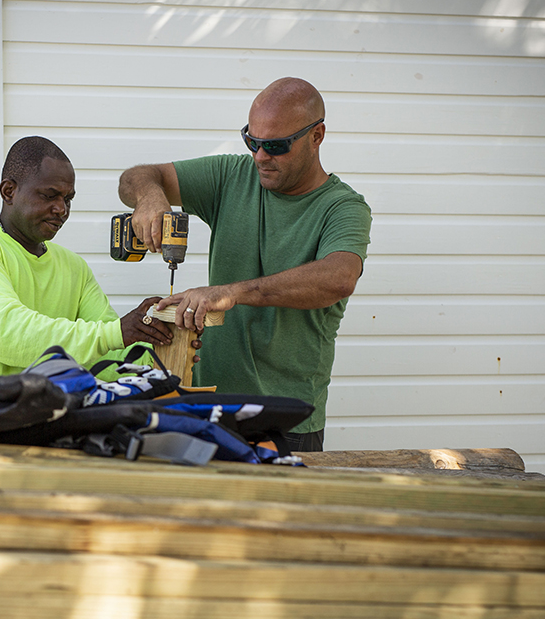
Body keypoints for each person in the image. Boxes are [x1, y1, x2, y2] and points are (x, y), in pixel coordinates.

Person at [117, 78, 372, 451]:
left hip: (286, 419)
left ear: (317, 136)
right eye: (251, 141)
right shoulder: (231, 177)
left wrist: (232, 293)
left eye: (276, 146)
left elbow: (338, 277)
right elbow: (134, 177)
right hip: (207, 404)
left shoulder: (343, 208)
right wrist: (151, 196)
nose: (260, 156)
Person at [0, 136, 177, 379]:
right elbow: (6, 335)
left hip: (36, 416)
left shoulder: (74, 268)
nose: (61, 209)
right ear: (9, 191)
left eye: (68, 199)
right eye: (49, 195)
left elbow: (107, 355)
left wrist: (161, 340)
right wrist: (117, 332)